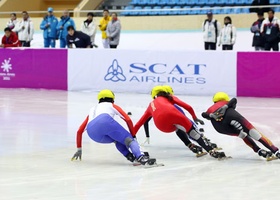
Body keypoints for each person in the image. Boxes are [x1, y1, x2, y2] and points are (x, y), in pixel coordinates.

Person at [133, 86, 226, 159]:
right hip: (176, 116)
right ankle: (211, 151)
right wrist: (194, 117)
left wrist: (132, 136)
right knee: (193, 133)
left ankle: (191, 146)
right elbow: (188, 107)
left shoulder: (151, 105)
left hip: (162, 125)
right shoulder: (170, 97)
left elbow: (140, 122)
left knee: (177, 128)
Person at [71, 89, 157, 166]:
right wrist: (133, 135)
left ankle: (131, 157)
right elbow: (127, 119)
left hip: (93, 134)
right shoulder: (111, 105)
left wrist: (79, 149)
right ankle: (141, 157)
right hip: (105, 120)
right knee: (129, 140)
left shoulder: (92, 109)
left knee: (117, 139)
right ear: (112, 99)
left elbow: (79, 131)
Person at [201, 92, 280, 160]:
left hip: (220, 127)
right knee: (254, 133)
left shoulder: (210, 108)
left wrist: (211, 115)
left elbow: (203, 114)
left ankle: (258, 150)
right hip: (231, 116)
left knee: (242, 135)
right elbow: (234, 100)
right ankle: (276, 151)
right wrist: (226, 107)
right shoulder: (227, 102)